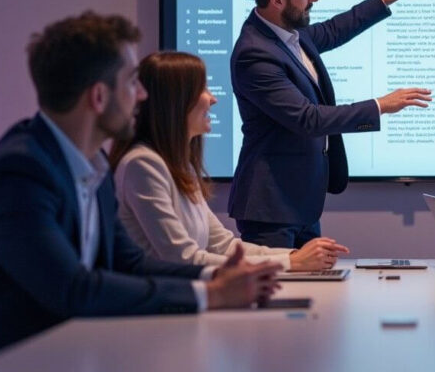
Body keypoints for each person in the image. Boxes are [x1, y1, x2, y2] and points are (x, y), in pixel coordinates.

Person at [0, 12, 281, 372]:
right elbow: (73, 290)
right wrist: (209, 295)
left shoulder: (91, 166)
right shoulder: (18, 173)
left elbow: (131, 263)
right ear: (98, 96)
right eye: (132, 82)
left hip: (59, 367)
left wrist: (214, 277)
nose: (142, 96)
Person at [230, 0, 432, 248]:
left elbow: (334, 30)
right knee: (279, 280)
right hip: (270, 207)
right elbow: (308, 119)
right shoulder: (255, 53)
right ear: (277, 0)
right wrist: (380, 106)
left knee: (311, 278)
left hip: (299, 200)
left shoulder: (289, 34)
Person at [111, 51, 349, 272]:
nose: (213, 99)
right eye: (202, 89)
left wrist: (294, 255)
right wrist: (291, 262)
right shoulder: (142, 165)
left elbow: (223, 245)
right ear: (175, 102)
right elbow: (183, 258)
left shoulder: (179, 166)